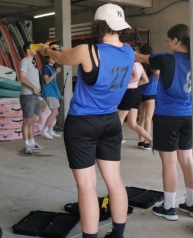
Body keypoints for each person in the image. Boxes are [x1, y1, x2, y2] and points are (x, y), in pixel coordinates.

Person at [40, 3, 134, 238]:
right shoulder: (128, 52)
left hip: (82, 123)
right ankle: (117, 234)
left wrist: (47, 50)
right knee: (114, 181)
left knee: (87, 186)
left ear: (99, 25)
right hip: (111, 121)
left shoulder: (87, 50)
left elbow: (62, 57)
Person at [135, 24, 193, 220]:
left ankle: (168, 208)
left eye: (169, 40)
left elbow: (140, 57)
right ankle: (191, 204)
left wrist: (122, 49)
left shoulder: (167, 59)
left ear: (176, 40)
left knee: (169, 162)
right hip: (189, 115)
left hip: (168, 116)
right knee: (186, 160)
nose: (168, 44)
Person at [117, 60, 153, 148]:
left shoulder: (129, 64)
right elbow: (145, 80)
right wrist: (135, 85)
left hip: (128, 94)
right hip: (136, 93)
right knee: (132, 124)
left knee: (118, 120)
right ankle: (151, 140)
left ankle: (116, 139)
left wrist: (121, 84)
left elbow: (135, 77)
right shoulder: (139, 65)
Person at [19, 42, 44, 154]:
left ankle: (32, 142)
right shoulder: (24, 61)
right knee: (27, 120)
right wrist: (34, 88)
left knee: (32, 120)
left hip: (35, 95)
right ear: (28, 50)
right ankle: (26, 145)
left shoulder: (33, 62)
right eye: (33, 48)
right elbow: (22, 78)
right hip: (27, 95)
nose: (36, 50)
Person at [137, 45, 159, 150]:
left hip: (141, 93)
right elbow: (159, 76)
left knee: (141, 117)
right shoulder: (155, 66)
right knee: (148, 118)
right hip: (151, 94)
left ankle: (141, 140)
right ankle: (147, 142)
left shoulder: (140, 65)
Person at [40, 56, 62, 139]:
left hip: (53, 93)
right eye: (52, 57)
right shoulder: (46, 68)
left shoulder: (52, 68)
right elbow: (47, 81)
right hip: (49, 93)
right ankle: (45, 130)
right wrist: (55, 73)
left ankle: (50, 129)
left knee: (55, 112)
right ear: (47, 58)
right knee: (55, 112)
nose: (54, 59)